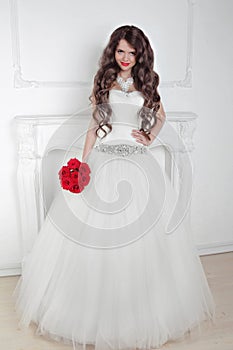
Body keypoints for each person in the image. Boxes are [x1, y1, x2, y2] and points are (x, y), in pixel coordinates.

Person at [13, 25, 215, 350]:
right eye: (120, 51)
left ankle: (142, 315)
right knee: (93, 238)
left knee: (145, 241)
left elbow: (161, 116)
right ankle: (85, 313)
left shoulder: (147, 84)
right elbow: (94, 127)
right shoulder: (104, 81)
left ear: (140, 55)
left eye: (131, 52)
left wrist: (149, 136)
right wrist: (82, 165)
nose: (125, 58)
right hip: (104, 161)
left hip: (138, 163)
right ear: (113, 51)